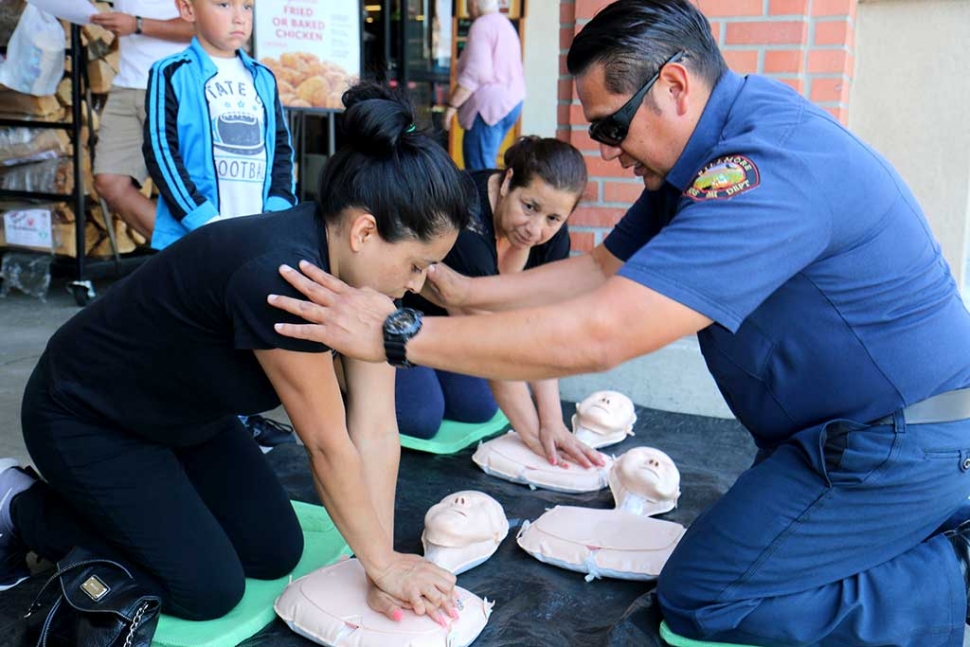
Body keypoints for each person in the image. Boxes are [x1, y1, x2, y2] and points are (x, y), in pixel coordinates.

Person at [266, 1, 970, 645]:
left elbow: (604, 332)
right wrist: (465, 294)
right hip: (839, 434)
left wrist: (398, 336)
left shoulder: (765, 169)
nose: (608, 150)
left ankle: (955, 573)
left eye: (611, 125)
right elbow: (602, 270)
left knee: (706, 595)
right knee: (732, 553)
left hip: (897, 438)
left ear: (673, 86)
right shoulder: (708, 152)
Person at [0, 83, 469, 625]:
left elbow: (376, 427)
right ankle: (22, 504)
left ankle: (150, 501)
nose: (415, 286)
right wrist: (385, 566)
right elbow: (327, 443)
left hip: (188, 417)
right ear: (366, 231)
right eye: (416, 265)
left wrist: (379, 560)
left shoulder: (360, 291)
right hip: (86, 416)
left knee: (274, 552)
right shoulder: (285, 276)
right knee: (205, 590)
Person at [144, 0, 299, 446]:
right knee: (193, 334)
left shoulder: (263, 78)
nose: (239, 17)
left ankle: (239, 420)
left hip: (251, 234)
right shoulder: (170, 72)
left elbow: (282, 150)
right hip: (197, 236)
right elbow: (161, 149)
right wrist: (205, 222)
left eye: (248, 6)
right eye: (224, 4)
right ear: (186, 8)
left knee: (242, 332)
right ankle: (185, 423)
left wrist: (274, 215)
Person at [398, 136, 600, 468]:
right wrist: (537, 440)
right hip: (396, 308)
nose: (536, 229)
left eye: (553, 218)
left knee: (476, 406)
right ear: (507, 182)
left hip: (445, 322)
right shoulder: (464, 219)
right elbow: (490, 335)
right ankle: (343, 366)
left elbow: (544, 326)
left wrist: (553, 420)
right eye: (529, 207)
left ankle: (424, 368)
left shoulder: (551, 238)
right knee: (419, 417)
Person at [90, 1, 194, 240]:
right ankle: (184, 252)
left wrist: (138, 25)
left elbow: (203, 25)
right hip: (126, 84)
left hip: (175, 86)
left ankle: (203, 258)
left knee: (190, 189)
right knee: (110, 183)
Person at [443, 0, 525, 171]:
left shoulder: (482, 25)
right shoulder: (504, 24)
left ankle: (484, 198)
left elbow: (477, 73)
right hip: (511, 103)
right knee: (487, 161)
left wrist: (451, 107)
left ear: (474, 3)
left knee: (479, 171)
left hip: (488, 109)